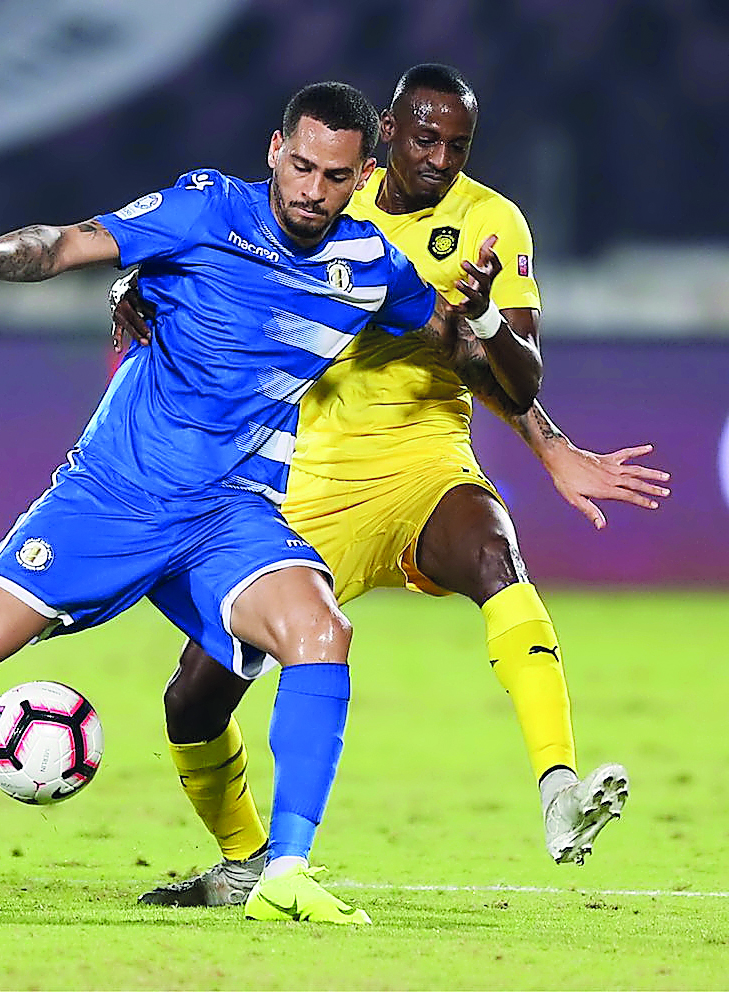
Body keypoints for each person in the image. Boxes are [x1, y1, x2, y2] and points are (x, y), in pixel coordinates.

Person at [0, 81, 539, 925]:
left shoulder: (372, 266)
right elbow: (67, 242)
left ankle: (285, 870)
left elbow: (471, 353)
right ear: (273, 149)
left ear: (361, 174)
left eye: (333, 176)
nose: (309, 190)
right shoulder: (203, 210)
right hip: (117, 492)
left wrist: (496, 342)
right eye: (298, 165)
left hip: (231, 512)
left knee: (321, 631)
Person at [112, 65, 668, 909]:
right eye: (424, 139)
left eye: (457, 144)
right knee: (194, 697)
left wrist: (504, 359)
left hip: (424, 457)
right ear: (387, 137)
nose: (441, 158)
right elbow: (219, 258)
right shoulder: (331, 194)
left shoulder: (490, 221)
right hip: (306, 478)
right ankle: (242, 861)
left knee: (493, 553)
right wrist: (132, 289)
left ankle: (559, 789)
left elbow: (510, 372)